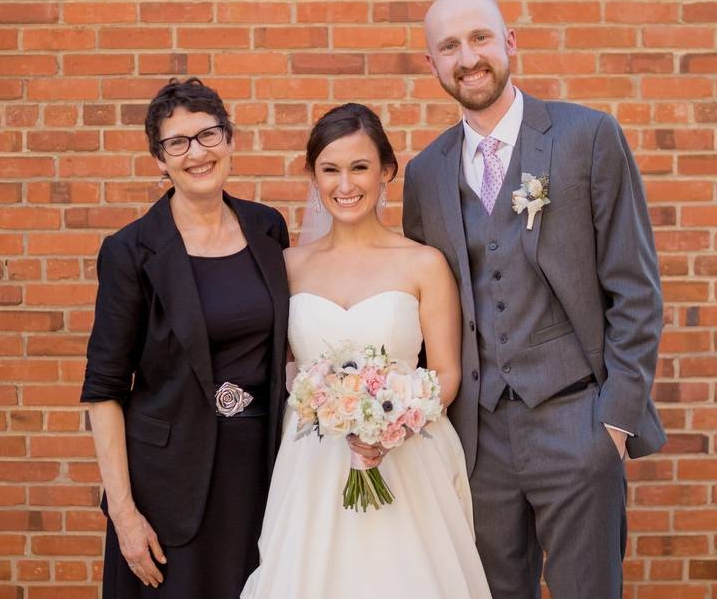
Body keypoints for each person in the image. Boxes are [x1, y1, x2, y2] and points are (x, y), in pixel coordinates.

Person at [403, 0, 666, 599]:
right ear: (432, 65)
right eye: (449, 47)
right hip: (478, 437)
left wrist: (615, 424)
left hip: (578, 422)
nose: (468, 58)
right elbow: (427, 307)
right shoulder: (425, 173)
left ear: (509, 43)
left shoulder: (587, 136)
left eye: (479, 39)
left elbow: (635, 288)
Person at [241, 103, 492, 599]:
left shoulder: (424, 264)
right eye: (329, 169)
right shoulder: (286, 267)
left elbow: (445, 372)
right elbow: (281, 366)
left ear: (387, 172)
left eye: (359, 167)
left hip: (408, 458)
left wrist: (393, 425)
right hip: (313, 464)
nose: (345, 184)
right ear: (313, 176)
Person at [80, 77, 291, 598]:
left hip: (261, 476)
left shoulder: (268, 228)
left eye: (209, 135)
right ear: (160, 159)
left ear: (230, 141)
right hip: (168, 487)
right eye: (178, 142)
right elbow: (104, 390)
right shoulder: (131, 252)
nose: (197, 153)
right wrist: (125, 515)